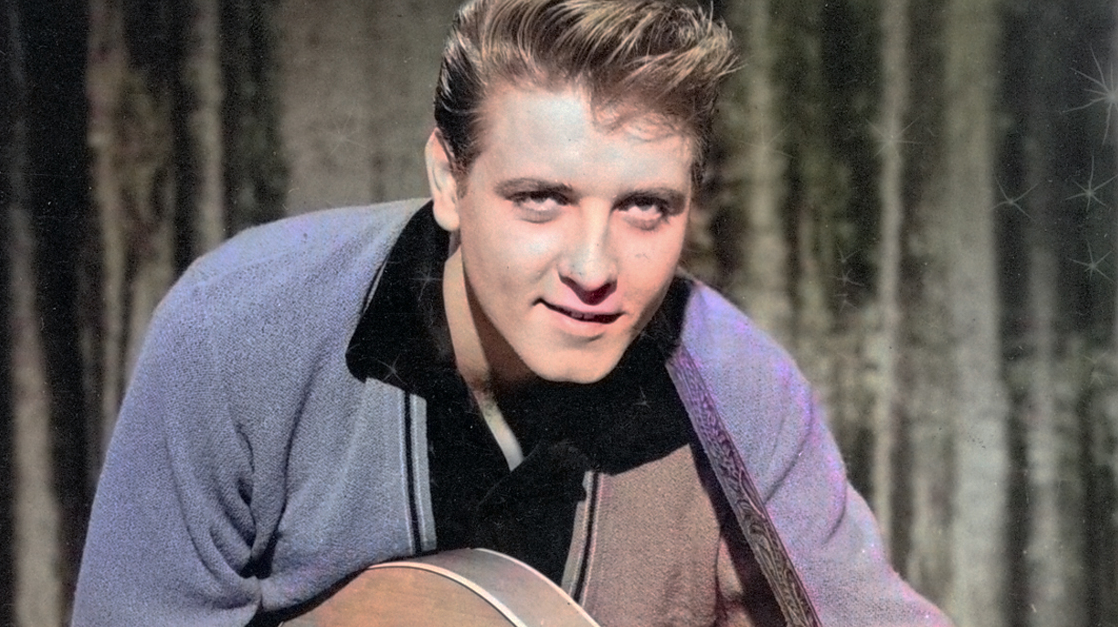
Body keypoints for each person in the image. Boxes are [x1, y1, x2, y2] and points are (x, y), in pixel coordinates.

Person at [71, 0, 953, 625]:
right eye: (541, 198)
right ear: (448, 180)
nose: (595, 267)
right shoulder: (236, 332)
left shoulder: (737, 384)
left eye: (647, 207)